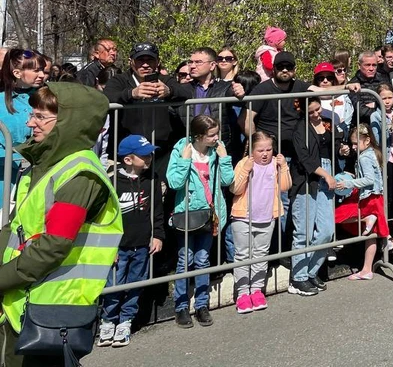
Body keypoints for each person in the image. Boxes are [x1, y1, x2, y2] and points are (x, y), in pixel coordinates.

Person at [0, 83, 122, 367]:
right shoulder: (46, 163)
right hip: (22, 299)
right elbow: (16, 229)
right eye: (33, 114)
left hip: (50, 311)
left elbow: (54, 246)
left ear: (70, 122)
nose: (31, 123)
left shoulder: (81, 176)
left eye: (41, 116)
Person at [166, 114, 235, 329]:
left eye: (217, 134)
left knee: (203, 260)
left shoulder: (217, 150)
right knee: (184, 259)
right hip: (187, 213)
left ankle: (202, 305)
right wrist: (185, 161)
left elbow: (227, 180)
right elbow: (174, 182)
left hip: (210, 213)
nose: (216, 138)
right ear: (198, 136)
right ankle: (181, 306)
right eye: (212, 135)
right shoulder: (182, 150)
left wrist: (224, 158)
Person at [99, 135, 164, 348]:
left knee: (136, 283)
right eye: (144, 156)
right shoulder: (113, 181)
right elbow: (104, 216)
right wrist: (109, 245)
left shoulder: (151, 179)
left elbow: (157, 211)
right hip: (118, 245)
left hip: (142, 244)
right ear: (128, 160)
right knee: (113, 284)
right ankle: (108, 320)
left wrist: (157, 235)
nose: (149, 158)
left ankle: (125, 321)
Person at [103, 42, 194, 174]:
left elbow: (187, 93)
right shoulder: (119, 80)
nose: (145, 65)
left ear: (158, 62)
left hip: (160, 151)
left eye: (150, 60)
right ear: (131, 61)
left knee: (157, 190)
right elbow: (107, 96)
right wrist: (132, 93)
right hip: (127, 151)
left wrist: (169, 91)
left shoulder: (164, 80)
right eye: (140, 60)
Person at [230, 130, 290, 313]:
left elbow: (285, 187)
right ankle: (242, 293)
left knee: (261, 255)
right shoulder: (244, 163)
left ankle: (256, 290)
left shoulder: (275, 164)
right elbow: (235, 189)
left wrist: (284, 166)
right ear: (251, 150)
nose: (265, 154)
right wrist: (247, 168)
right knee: (243, 255)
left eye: (269, 149)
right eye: (260, 150)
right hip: (243, 217)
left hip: (266, 217)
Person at [288, 103, 339, 296]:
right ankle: (298, 277)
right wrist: (325, 174)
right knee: (304, 232)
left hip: (327, 175)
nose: (317, 114)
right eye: (311, 112)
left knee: (326, 230)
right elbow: (304, 158)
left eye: (318, 109)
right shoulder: (300, 129)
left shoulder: (326, 123)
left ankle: (311, 270)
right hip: (307, 180)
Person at [334, 124, 390, 280]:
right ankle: (367, 269)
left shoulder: (364, 156)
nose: (352, 147)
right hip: (376, 196)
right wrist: (353, 177)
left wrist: (348, 183)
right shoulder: (372, 153)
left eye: (355, 143)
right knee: (371, 233)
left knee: (338, 216)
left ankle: (368, 220)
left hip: (369, 197)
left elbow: (369, 179)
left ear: (367, 141)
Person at [0, 49, 45, 203]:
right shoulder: (1, 102)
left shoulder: (49, 97)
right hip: (7, 178)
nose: (41, 75)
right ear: (17, 73)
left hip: (41, 174)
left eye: (43, 70)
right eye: (36, 70)